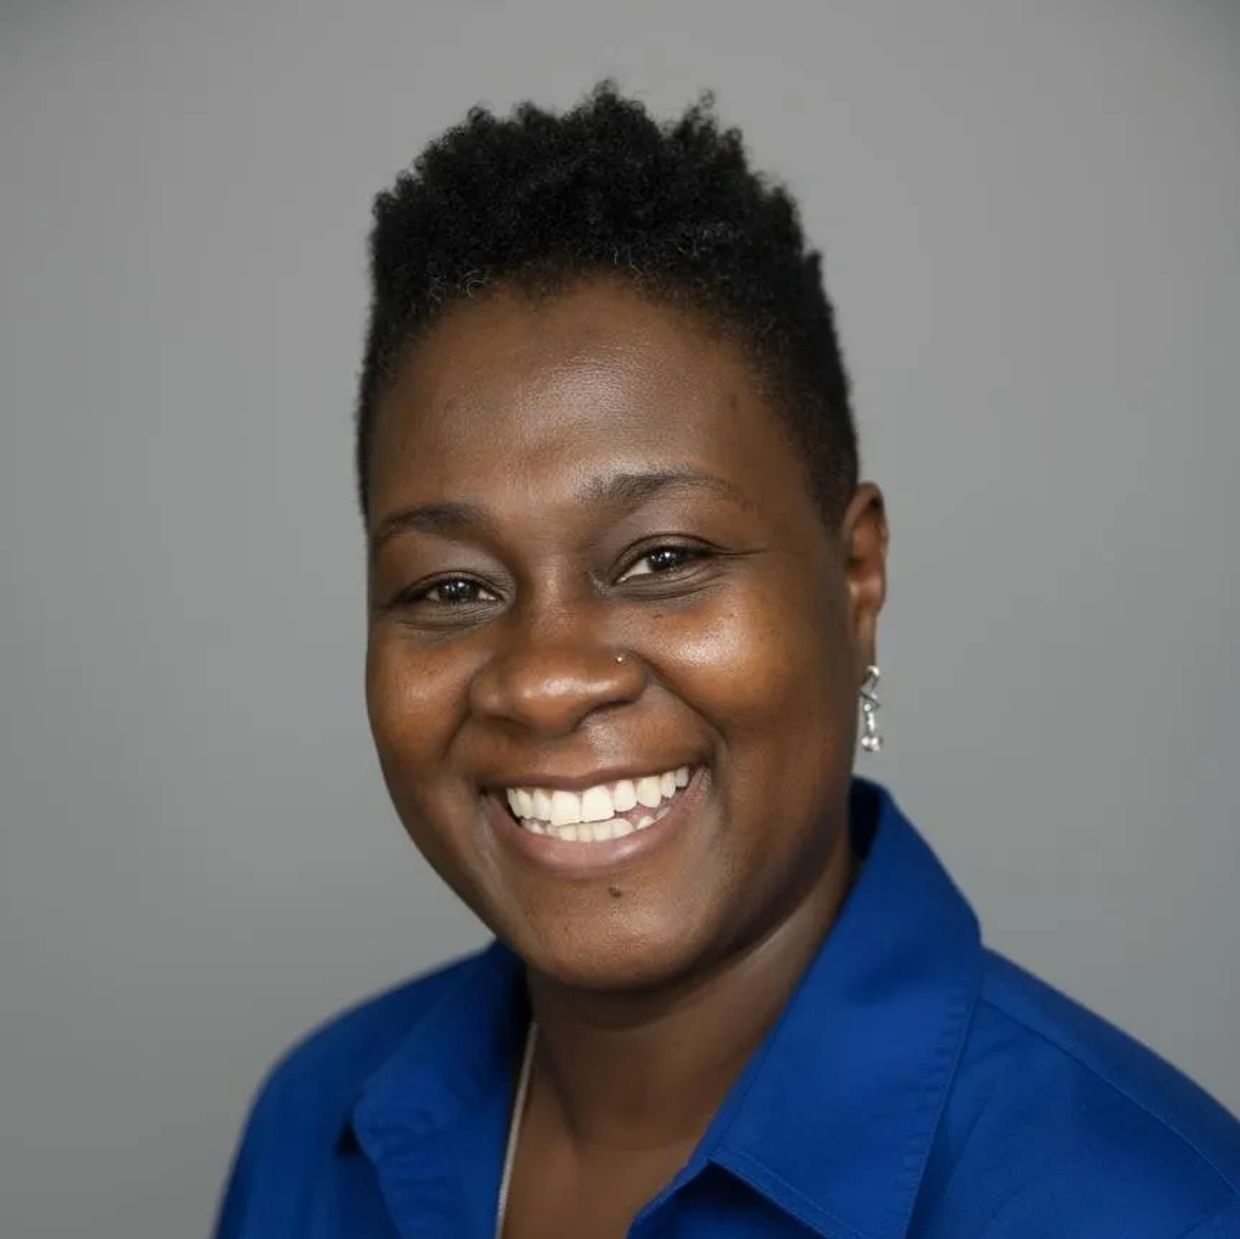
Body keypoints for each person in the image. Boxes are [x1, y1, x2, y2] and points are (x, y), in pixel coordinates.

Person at [214, 83, 1240, 1238]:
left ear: (853, 580)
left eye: (662, 559)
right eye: (450, 588)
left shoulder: (1155, 1209)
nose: (544, 681)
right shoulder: (317, 1127)